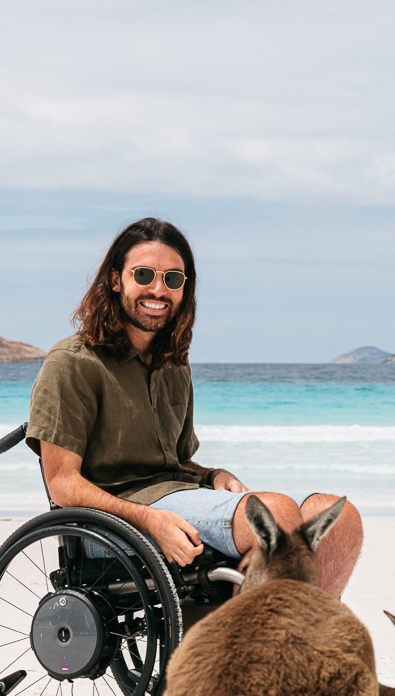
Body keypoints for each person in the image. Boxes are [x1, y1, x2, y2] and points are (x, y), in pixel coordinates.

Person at [26, 217, 363, 596]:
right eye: (144, 275)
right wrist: (150, 519)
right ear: (115, 279)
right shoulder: (72, 362)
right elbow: (63, 485)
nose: (158, 289)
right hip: (112, 521)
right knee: (275, 514)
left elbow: (176, 463)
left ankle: (304, 640)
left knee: (338, 517)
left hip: (180, 497)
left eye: (173, 279)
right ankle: (252, 647)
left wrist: (212, 475)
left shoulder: (173, 363)